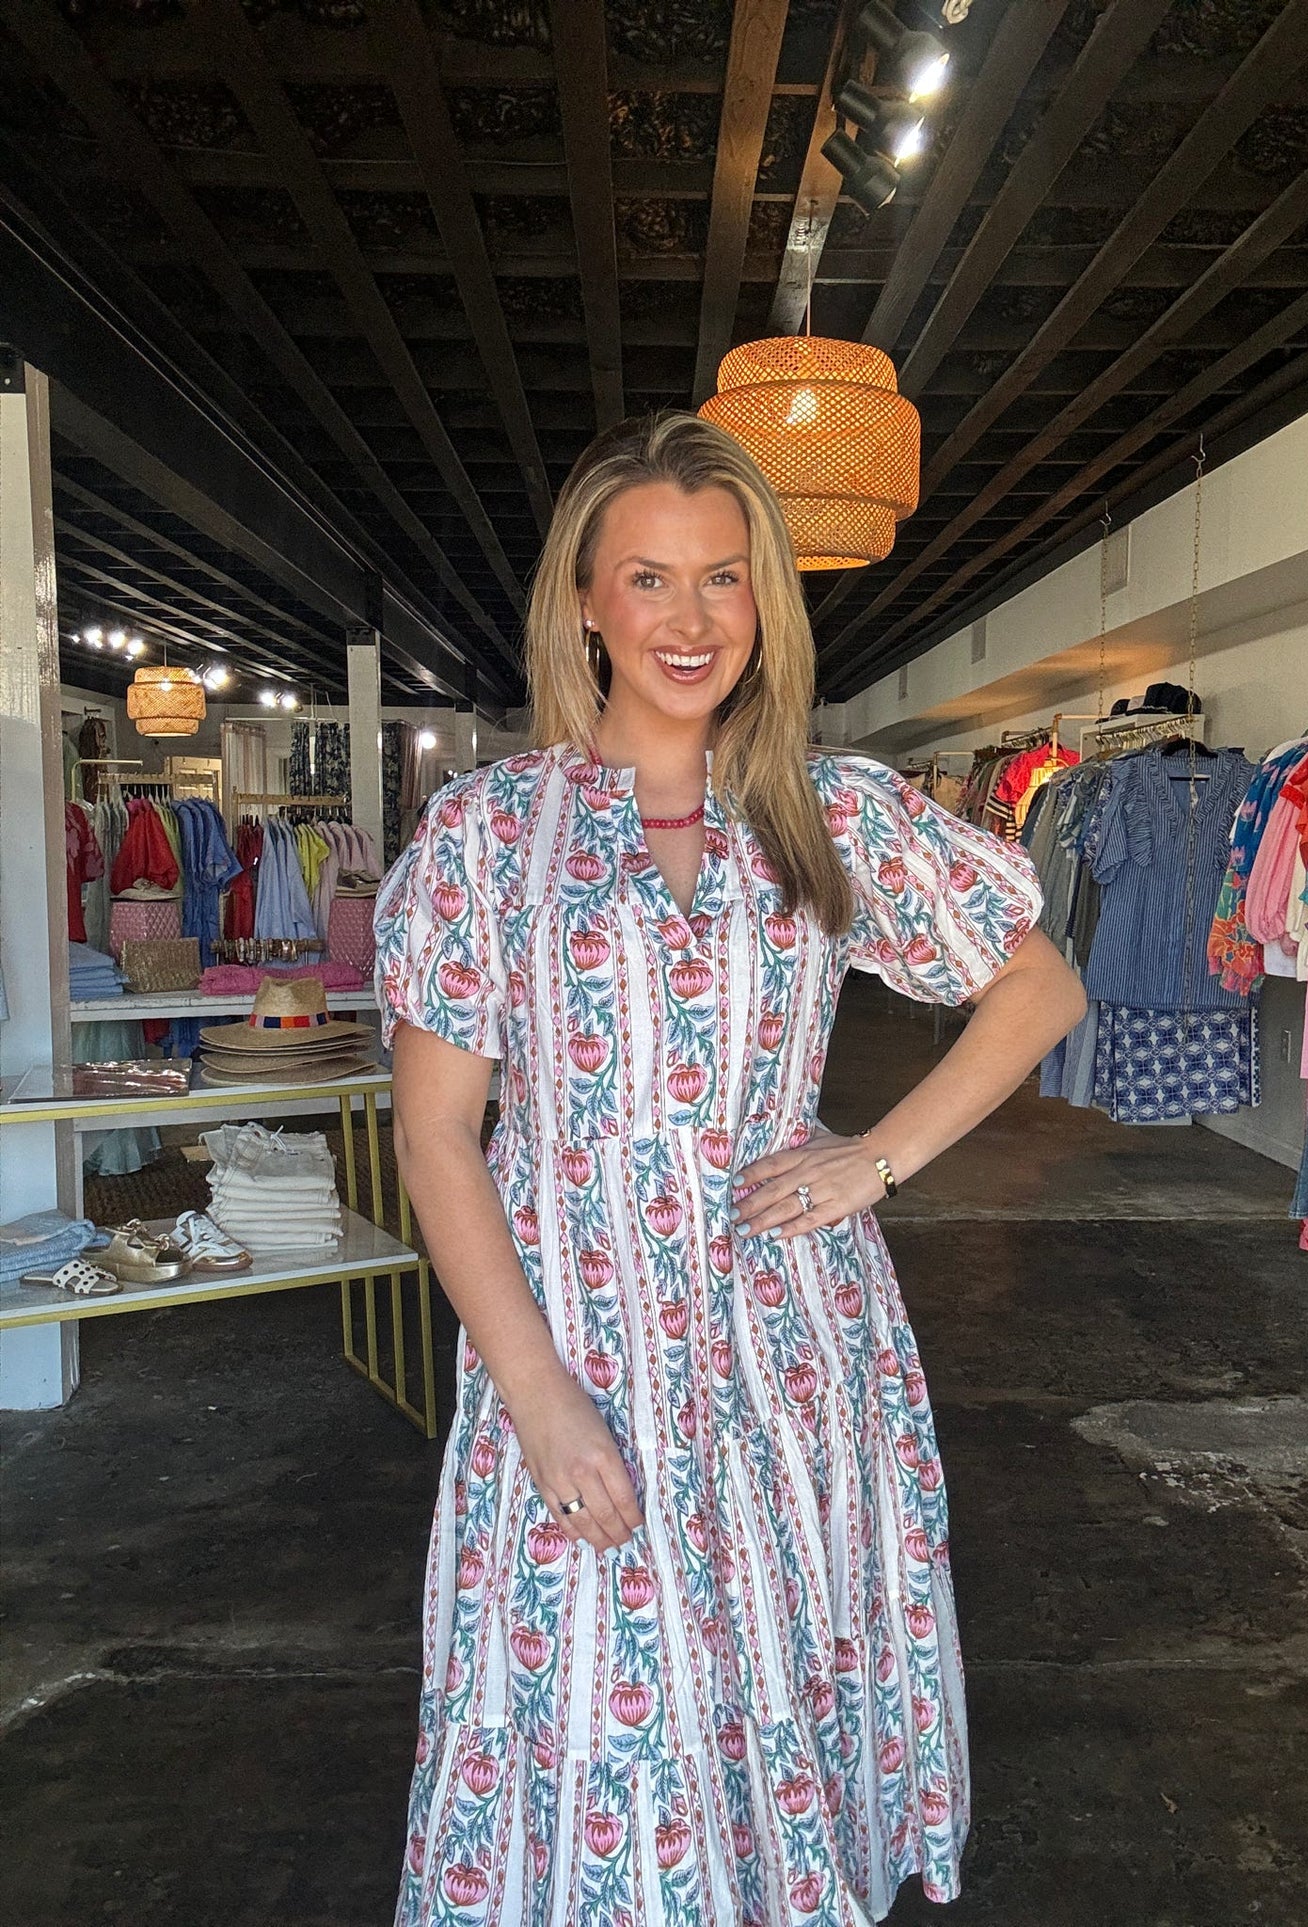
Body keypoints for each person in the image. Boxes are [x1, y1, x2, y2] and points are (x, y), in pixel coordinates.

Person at [375, 411, 1086, 1925]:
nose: (688, 621)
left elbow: (1037, 991)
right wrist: (539, 1394)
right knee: (598, 1703)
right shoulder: (489, 837)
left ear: (765, 599)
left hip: (796, 1347)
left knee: (777, 1668)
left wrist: (873, 1158)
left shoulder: (827, 808)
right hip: (574, 1337)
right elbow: (438, 1133)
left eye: (722, 580)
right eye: (647, 580)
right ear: (583, 601)